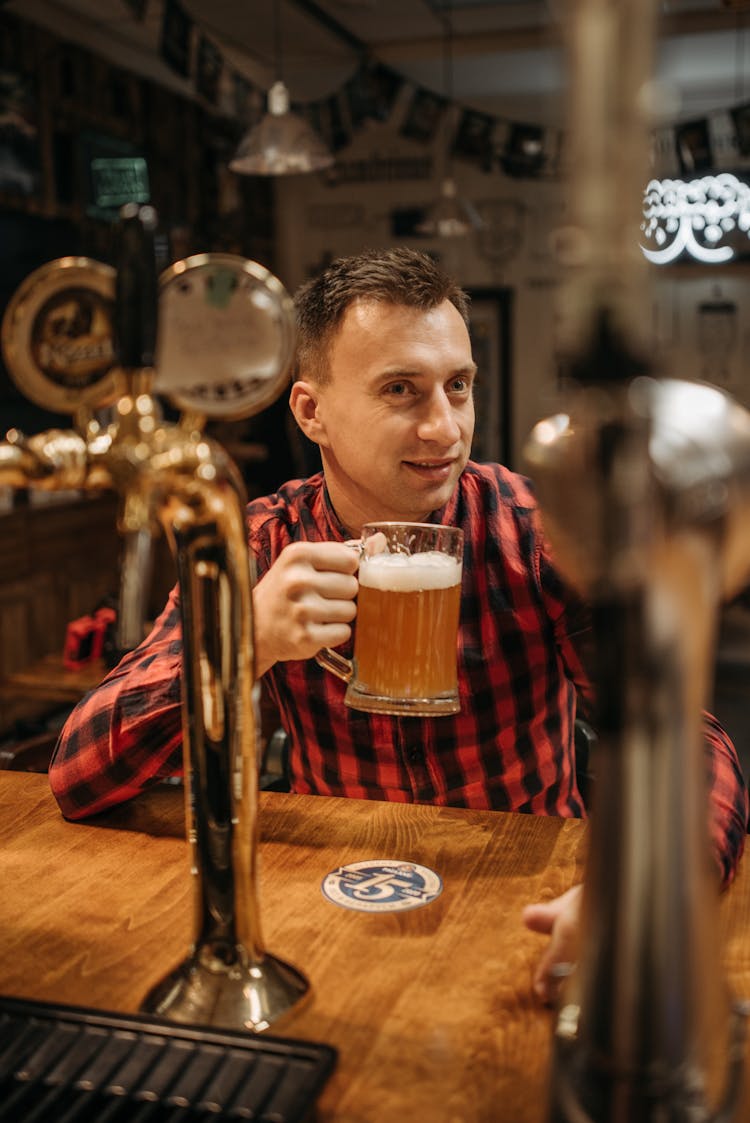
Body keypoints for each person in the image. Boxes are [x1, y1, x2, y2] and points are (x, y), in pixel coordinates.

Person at [48, 247, 748, 1002]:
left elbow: (691, 738)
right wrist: (240, 646)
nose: (444, 427)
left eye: (459, 386)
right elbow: (79, 773)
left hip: (528, 901)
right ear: (311, 410)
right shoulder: (257, 543)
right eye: (401, 391)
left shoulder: (534, 530)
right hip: (338, 896)